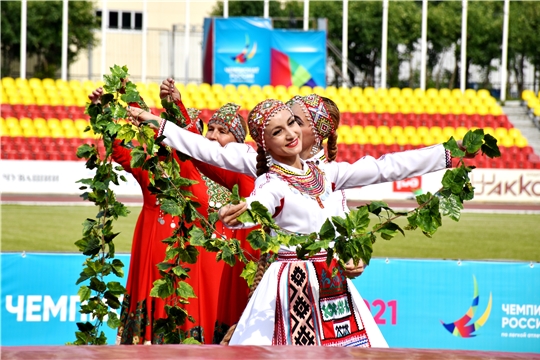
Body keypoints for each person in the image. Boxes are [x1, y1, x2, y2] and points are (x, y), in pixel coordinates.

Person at [216, 99, 457, 346]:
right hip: (292, 283)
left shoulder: (326, 174)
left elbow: (384, 168)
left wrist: (447, 153)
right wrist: (241, 214)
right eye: (278, 132)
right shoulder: (271, 182)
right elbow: (260, 203)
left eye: (292, 123)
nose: (290, 134)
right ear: (265, 143)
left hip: (332, 281)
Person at [88, 88, 227, 344]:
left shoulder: (205, 168)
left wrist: (169, 109)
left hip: (190, 256)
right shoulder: (152, 166)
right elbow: (119, 151)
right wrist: (105, 111)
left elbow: (189, 142)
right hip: (154, 248)